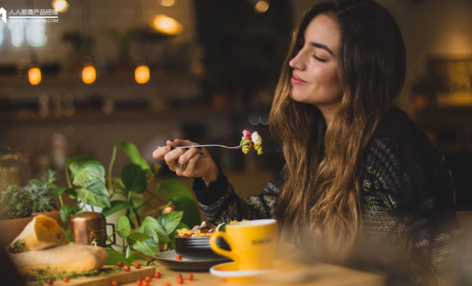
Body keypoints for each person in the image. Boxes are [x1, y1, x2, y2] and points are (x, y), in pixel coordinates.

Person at [153, 0, 462, 284]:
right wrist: (210, 176)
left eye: (318, 55)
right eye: (299, 47)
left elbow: (441, 257)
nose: (294, 62)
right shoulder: (315, 144)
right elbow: (258, 227)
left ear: (360, 72)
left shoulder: (391, 145)